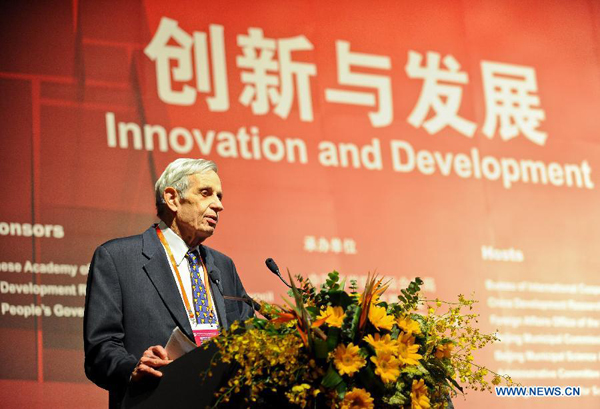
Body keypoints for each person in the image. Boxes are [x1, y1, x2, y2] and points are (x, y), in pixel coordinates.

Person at [83, 158, 253, 408]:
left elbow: (246, 334)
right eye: (206, 193)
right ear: (173, 198)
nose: (218, 205)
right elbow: (100, 348)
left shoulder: (223, 265)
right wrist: (134, 369)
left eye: (219, 196)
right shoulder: (117, 258)